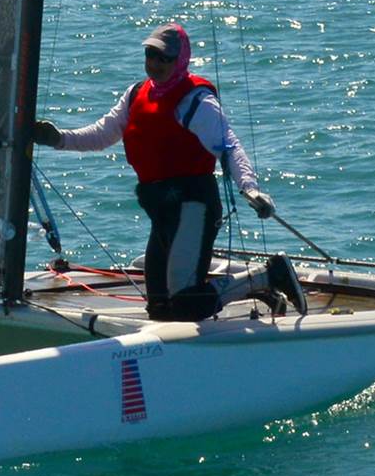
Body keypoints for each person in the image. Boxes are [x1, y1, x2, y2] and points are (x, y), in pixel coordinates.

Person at [33, 23, 306, 321]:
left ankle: (268, 276)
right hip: (162, 211)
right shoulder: (136, 94)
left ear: (182, 60)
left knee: (185, 304)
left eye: (165, 58)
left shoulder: (196, 102)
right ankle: (261, 290)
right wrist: (57, 139)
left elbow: (229, 147)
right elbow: (102, 134)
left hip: (193, 207)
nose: (156, 63)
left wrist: (249, 188)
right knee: (160, 308)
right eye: (151, 54)